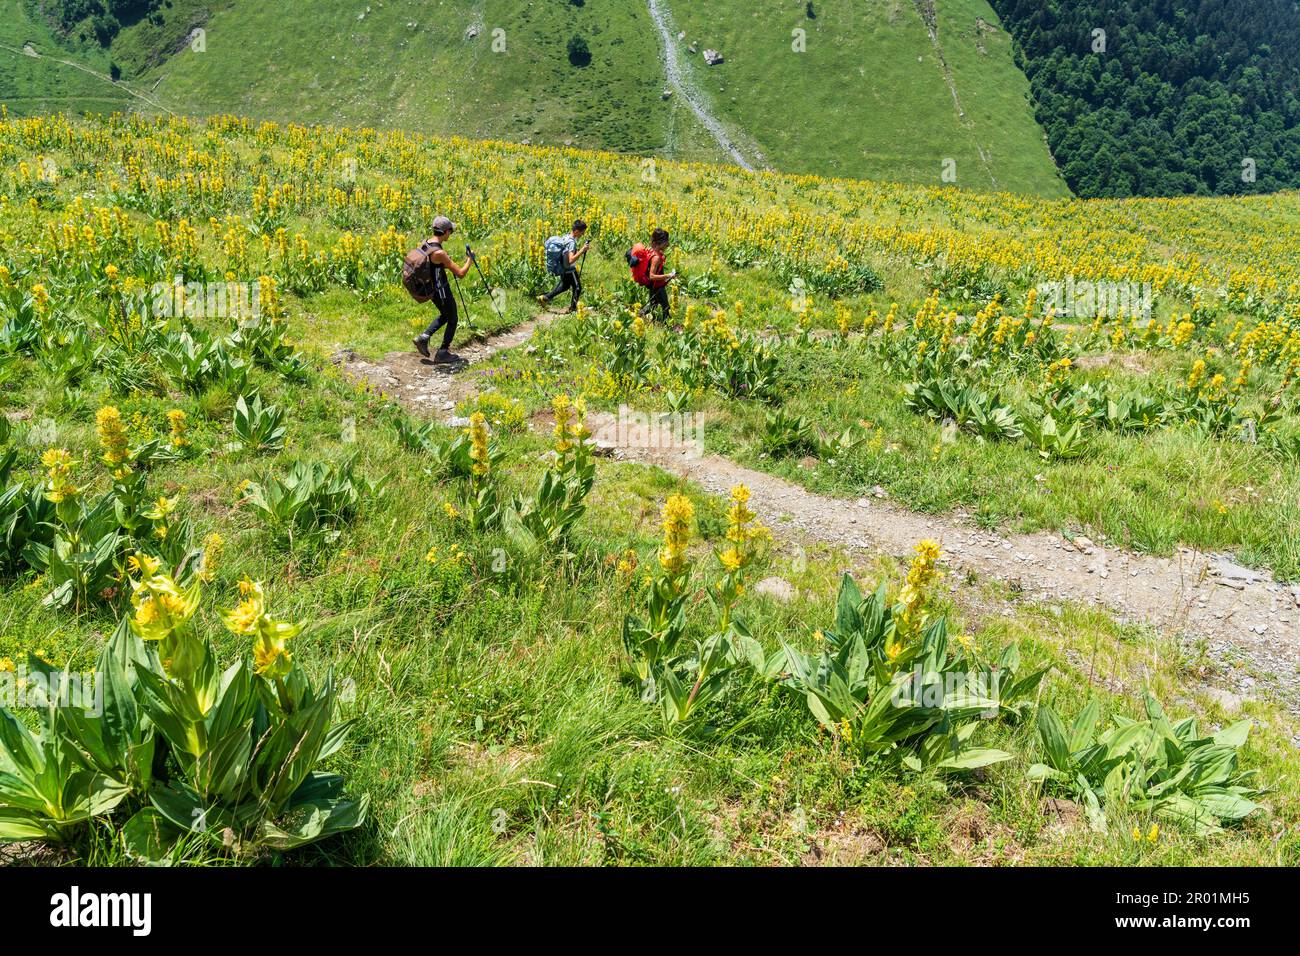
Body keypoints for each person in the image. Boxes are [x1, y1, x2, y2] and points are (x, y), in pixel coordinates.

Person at [413, 216, 475, 362]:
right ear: (446, 232)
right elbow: (460, 274)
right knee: (453, 318)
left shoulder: (427, 242)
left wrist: (444, 263)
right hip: (441, 290)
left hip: (431, 289)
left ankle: (423, 338)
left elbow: (434, 264)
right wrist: (469, 260)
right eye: (451, 231)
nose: (451, 234)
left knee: (445, 315)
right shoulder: (439, 253)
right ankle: (442, 353)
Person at [539, 219, 590, 313]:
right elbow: (571, 260)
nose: (582, 235)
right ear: (576, 231)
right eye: (581, 233)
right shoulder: (572, 242)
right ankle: (573, 309)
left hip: (563, 267)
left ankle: (544, 298)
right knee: (577, 288)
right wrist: (582, 250)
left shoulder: (565, 237)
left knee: (565, 286)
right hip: (570, 269)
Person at [639, 228, 677, 322]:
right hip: (657, 287)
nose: (668, 244)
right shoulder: (656, 258)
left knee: (653, 305)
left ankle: (640, 315)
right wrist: (668, 275)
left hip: (655, 286)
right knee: (666, 307)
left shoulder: (652, 251)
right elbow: (652, 276)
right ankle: (667, 325)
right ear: (661, 242)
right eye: (666, 241)